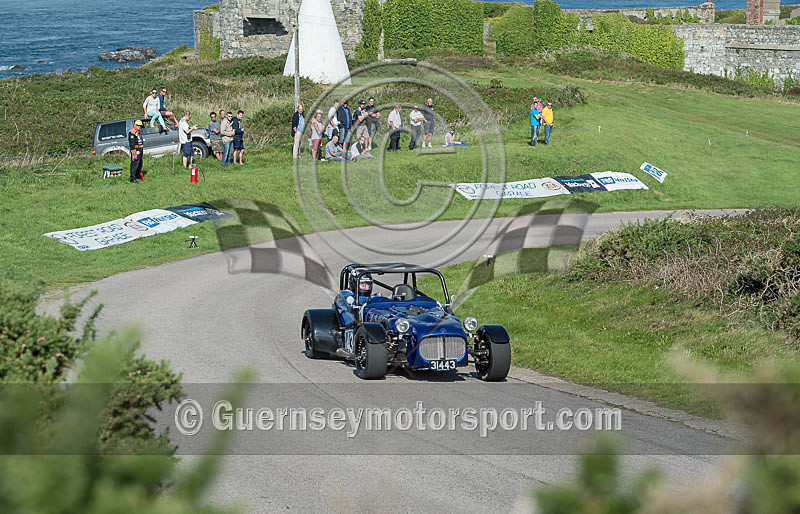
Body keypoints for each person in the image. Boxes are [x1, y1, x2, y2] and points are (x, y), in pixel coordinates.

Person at [128, 119, 144, 183]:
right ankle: (132, 178)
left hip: (140, 149)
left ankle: (138, 175)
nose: (139, 127)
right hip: (135, 150)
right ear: (135, 125)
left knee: (140, 164)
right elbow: (132, 143)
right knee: (135, 164)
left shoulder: (138, 132)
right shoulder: (132, 132)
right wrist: (134, 153)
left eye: (140, 126)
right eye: (138, 125)